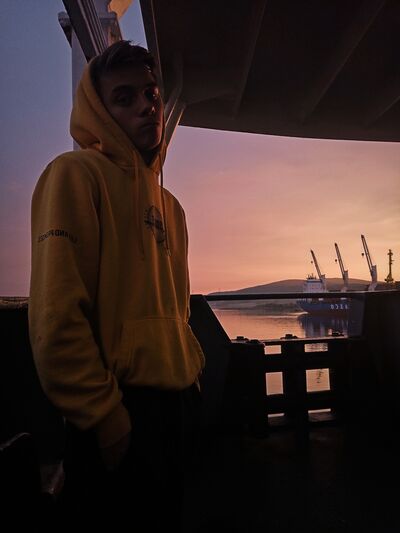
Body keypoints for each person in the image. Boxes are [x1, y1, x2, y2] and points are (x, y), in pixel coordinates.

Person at [29, 40, 205, 530]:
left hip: (177, 406)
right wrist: (105, 416)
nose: (146, 105)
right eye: (124, 98)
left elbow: (179, 308)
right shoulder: (73, 175)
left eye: (150, 93)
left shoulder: (172, 208)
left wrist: (193, 370)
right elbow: (55, 316)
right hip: (118, 409)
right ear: (99, 112)